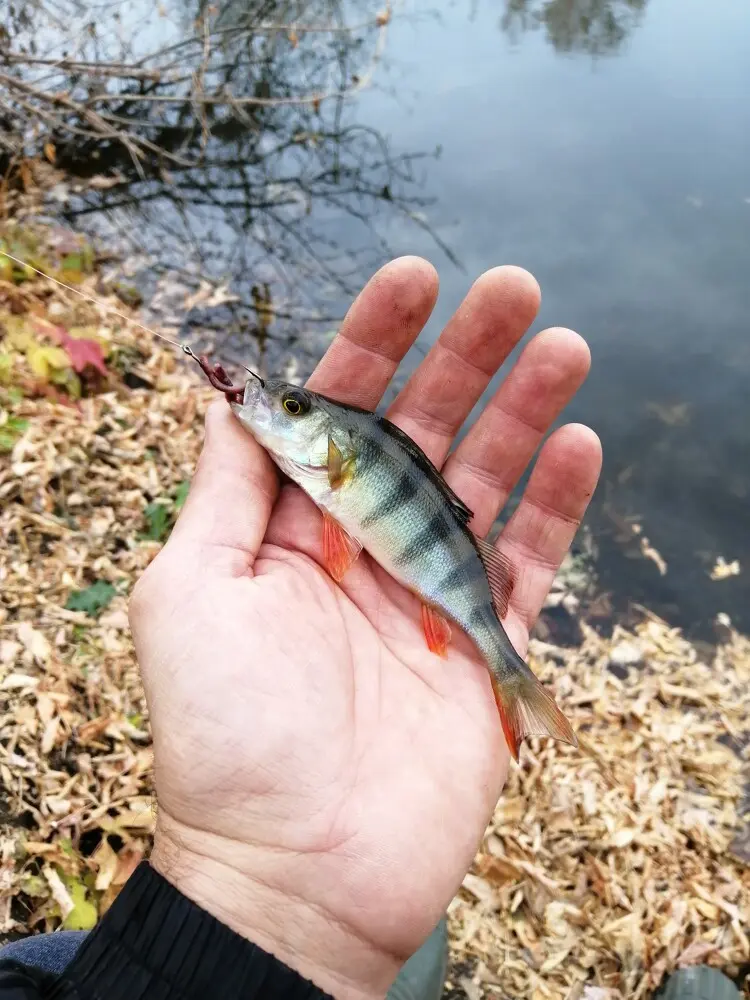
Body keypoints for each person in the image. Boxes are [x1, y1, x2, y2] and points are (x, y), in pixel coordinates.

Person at [0, 259, 603, 999]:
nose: (272, 407)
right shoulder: (330, 466)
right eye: (291, 404)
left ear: (331, 449)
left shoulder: (343, 464)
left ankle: (510, 681)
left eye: (291, 409)